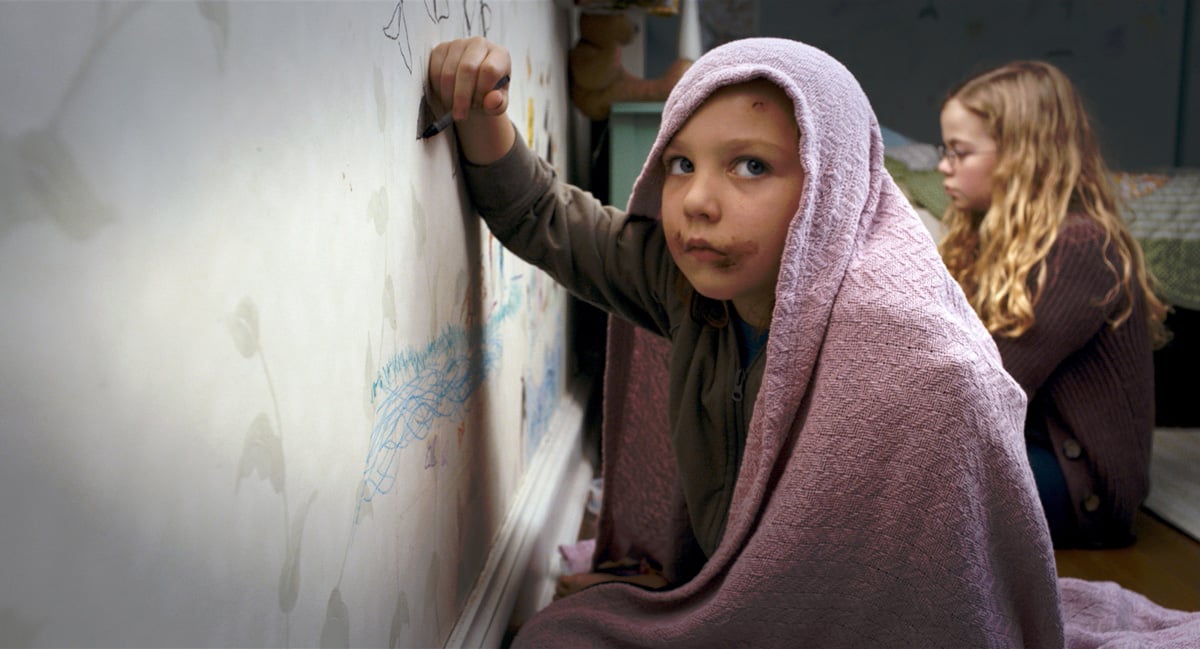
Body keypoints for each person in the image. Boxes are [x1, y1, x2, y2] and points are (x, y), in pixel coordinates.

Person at [426, 35, 1070, 646]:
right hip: (730, 583)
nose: (699, 201)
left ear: (831, 186)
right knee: (552, 636)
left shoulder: (910, 355)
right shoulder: (682, 281)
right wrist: (480, 108)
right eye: (681, 164)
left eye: (751, 165)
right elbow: (547, 219)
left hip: (841, 621)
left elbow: (933, 593)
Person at [935, 61, 1170, 549]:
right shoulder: (986, 236)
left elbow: (987, 384)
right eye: (944, 151)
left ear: (1023, 157)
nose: (943, 167)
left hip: (1081, 483)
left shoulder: (1081, 245)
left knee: (894, 490)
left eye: (959, 153)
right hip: (1025, 449)